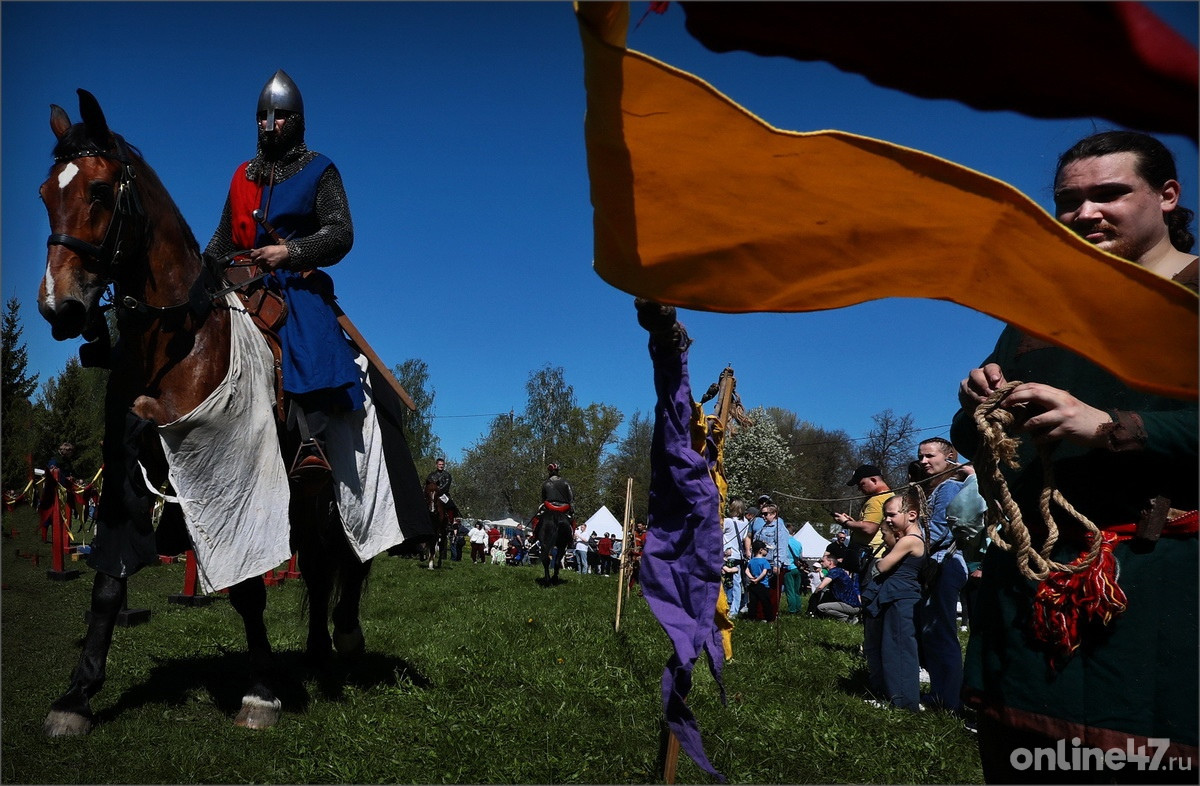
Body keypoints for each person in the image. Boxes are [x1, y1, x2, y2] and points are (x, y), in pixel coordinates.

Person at [952, 131, 1198, 779]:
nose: (1085, 213)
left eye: (1109, 193)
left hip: (1162, 606)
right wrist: (978, 404)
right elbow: (973, 435)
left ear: (1168, 196)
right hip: (1031, 604)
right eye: (1068, 201)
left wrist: (1113, 428)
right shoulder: (1039, 314)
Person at [205, 69, 361, 485]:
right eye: (261, 116)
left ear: (295, 121)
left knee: (310, 328)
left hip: (293, 282)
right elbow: (222, 238)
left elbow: (340, 232)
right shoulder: (242, 175)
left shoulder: (319, 169)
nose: (267, 124)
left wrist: (289, 251)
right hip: (237, 280)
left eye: (277, 116)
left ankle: (312, 440)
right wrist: (202, 269)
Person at [913, 437, 969, 715]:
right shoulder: (936, 489)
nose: (923, 462)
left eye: (929, 456)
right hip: (939, 563)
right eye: (920, 456)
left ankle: (949, 699)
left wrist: (906, 547)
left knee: (941, 630)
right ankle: (941, 693)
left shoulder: (949, 488)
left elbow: (939, 531)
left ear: (949, 458)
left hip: (946, 563)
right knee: (933, 630)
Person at [863, 490, 927, 711]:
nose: (887, 520)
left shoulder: (910, 539)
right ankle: (891, 696)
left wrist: (882, 558)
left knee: (900, 649)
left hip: (902, 598)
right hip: (895, 596)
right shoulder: (911, 538)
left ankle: (905, 702)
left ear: (911, 514)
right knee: (890, 647)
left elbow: (882, 565)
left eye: (891, 515)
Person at [832, 465, 893, 578]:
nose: (859, 489)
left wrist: (845, 522)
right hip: (880, 555)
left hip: (870, 556)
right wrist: (855, 523)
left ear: (873, 480)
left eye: (861, 484)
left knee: (867, 593)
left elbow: (869, 528)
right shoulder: (890, 496)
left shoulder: (876, 500)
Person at [39, 442, 77, 543]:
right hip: (53, 491)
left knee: (61, 515)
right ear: (66, 451)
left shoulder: (67, 461)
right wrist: (54, 470)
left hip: (63, 490)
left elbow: (69, 472)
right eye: (71, 451)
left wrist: (71, 477)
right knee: (48, 514)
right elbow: (51, 472)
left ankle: (61, 538)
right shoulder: (54, 460)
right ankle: (44, 537)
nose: (72, 453)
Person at [812, 551, 861, 621]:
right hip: (854, 605)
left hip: (850, 605)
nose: (821, 563)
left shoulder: (834, 571)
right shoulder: (839, 571)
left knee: (821, 608)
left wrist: (814, 594)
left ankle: (848, 619)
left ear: (830, 562)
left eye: (823, 561)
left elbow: (820, 587)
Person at [744, 540, 775, 622]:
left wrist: (752, 578)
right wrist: (757, 579)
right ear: (761, 550)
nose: (767, 551)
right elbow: (764, 572)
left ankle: (751, 618)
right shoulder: (765, 561)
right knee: (766, 603)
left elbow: (746, 571)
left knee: (753, 603)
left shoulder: (751, 561)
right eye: (765, 549)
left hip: (753, 585)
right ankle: (769, 619)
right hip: (763, 585)